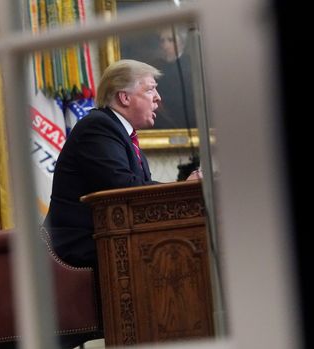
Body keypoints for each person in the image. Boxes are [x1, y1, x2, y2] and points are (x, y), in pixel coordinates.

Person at [44, 59, 201, 270]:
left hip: (109, 235)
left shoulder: (122, 135)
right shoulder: (98, 127)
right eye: (151, 90)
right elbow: (122, 187)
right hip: (80, 243)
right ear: (124, 97)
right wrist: (181, 189)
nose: (158, 98)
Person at [151, 26, 197, 129]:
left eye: (170, 40)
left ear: (182, 43)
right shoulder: (157, 66)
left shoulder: (189, 64)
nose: (165, 45)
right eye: (162, 41)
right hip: (163, 120)